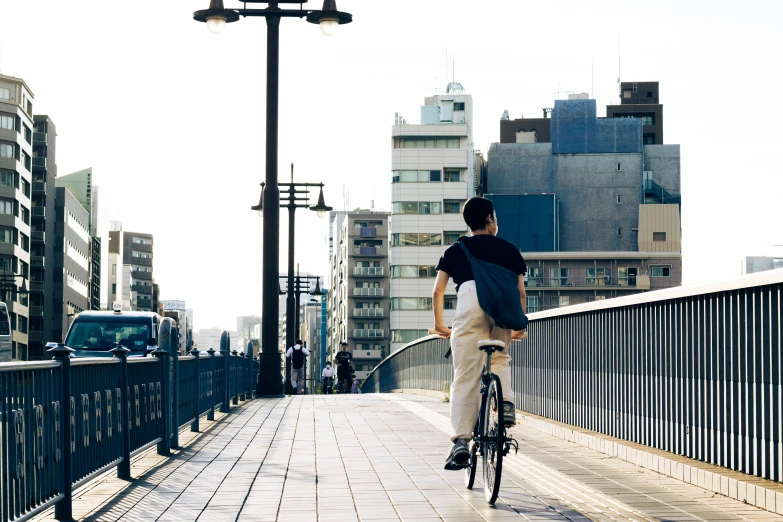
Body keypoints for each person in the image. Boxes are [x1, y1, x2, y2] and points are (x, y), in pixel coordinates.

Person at [432, 197, 527, 470]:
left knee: (465, 377)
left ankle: (461, 441)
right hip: (502, 309)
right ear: (489, 219)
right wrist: (518, 326)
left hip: (470, 304)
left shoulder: (456, 249)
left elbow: (438, 291)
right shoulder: (510, 250)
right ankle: (506, 405)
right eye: (494, 217)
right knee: (499, 360)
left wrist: (440, 325)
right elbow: (520, 293)